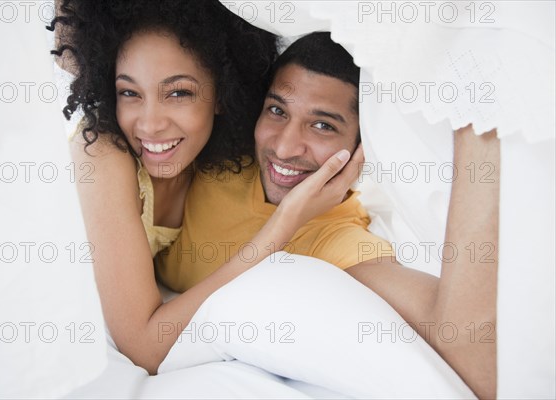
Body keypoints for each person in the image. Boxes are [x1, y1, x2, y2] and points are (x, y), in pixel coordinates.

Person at [158, 32, 498, 399]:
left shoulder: (340, 239)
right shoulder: (208, 158)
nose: (285, 147)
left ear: (361, 150)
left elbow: (475, 359)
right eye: (277, 111)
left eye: (323, 126)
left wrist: (479, 121)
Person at [50, 1, 362, 375]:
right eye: (129, 93)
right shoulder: (102, 154)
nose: (149, 125)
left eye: (178, 93)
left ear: (222, 93)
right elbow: (145, 347)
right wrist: (284, 223)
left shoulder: (210, 160)